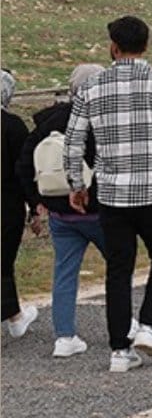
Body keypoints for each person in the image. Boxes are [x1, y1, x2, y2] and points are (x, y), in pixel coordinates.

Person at [63, 16, 152, 373]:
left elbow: (73, 142)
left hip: (111, 193)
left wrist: (76, 185)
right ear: (146, 46)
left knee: (118, 269)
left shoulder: (90, 87)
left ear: (113, 46)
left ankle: (118, 351)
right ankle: (149, 325)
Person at [16, 64, 105, 357]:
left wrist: (36, 201)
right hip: (99, 209)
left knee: (65, 273)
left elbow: (24, 164)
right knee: (119, 266)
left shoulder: (48, 122)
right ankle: (127, 324)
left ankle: (64, 337)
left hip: (59, 212)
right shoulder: (101, 119)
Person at [2, 69, 39, 340]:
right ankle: (14, 317)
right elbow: (24, 170)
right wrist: (35, 206)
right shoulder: (13, 125)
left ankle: (14, 314)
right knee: (3, 261)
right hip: (7, 203)